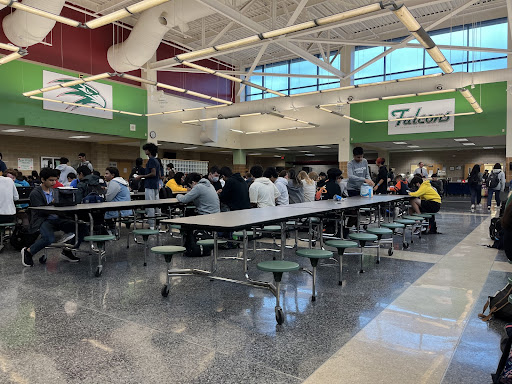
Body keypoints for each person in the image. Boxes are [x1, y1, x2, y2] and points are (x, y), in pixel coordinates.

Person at [21, 168, 85, 267]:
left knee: (81, 227)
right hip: (43, 220)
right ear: (43, 180)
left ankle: (67, 251)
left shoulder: (55, 191)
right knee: (48, 238)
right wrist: (53, 203)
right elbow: (41, 211)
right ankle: (28, 251)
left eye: (55, 180)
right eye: (51, 180)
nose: (54, 182)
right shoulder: (35, 193)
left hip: (57, 219)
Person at [135, 143, 161, 229]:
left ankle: (152, 225)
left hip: (150, 185)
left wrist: (141, 176)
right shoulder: (157, 160)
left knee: (150, 205)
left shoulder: (151, 161)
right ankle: (159, 224)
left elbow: (153, 173)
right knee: (157, 205)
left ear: (148, 151)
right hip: (156, 185)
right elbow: (158, 174)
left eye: (146, 150)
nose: (145, 151)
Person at [103, 167, 132, 231]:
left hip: (119, 209)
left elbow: (108, 198)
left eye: (107, 173)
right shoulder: (122, 181)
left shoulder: (114, 182)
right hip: (126, 208)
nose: (105, 175)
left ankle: (111, 230)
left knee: (101, 212)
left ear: (113, 175)